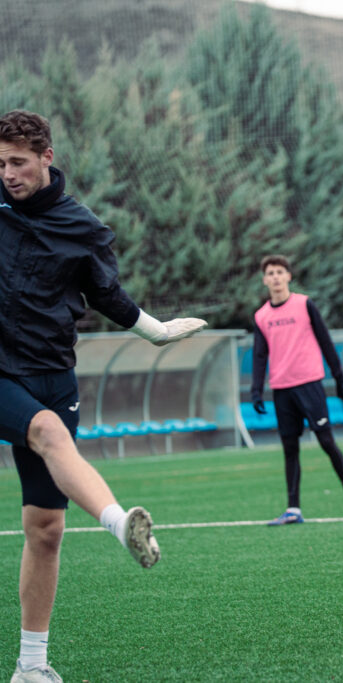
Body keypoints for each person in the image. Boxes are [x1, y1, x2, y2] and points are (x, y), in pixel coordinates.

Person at [0, 110, 207, 683]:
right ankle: (119, 522)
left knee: (46, 528)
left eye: (17, 162)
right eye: (0, 164)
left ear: (46, 157)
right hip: (1, 371)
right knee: (47, 431)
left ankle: (31, 668)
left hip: (53, 374)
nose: (7, 174)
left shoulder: (81, 226)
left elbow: (106, 294)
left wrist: (156, 332)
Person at [250, 255, 343, 526]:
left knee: (326, 442)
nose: (276, 277)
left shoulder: (304, 304)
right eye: (270, 273)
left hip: (310, 383)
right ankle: (293, 509)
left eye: (280, 272)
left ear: (289, 276)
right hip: (282, 390)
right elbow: (259, 356)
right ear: (264, 280)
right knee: (290, 448)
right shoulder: (261, 316)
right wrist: (256, 391)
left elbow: (325, 341)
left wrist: (339, 378)